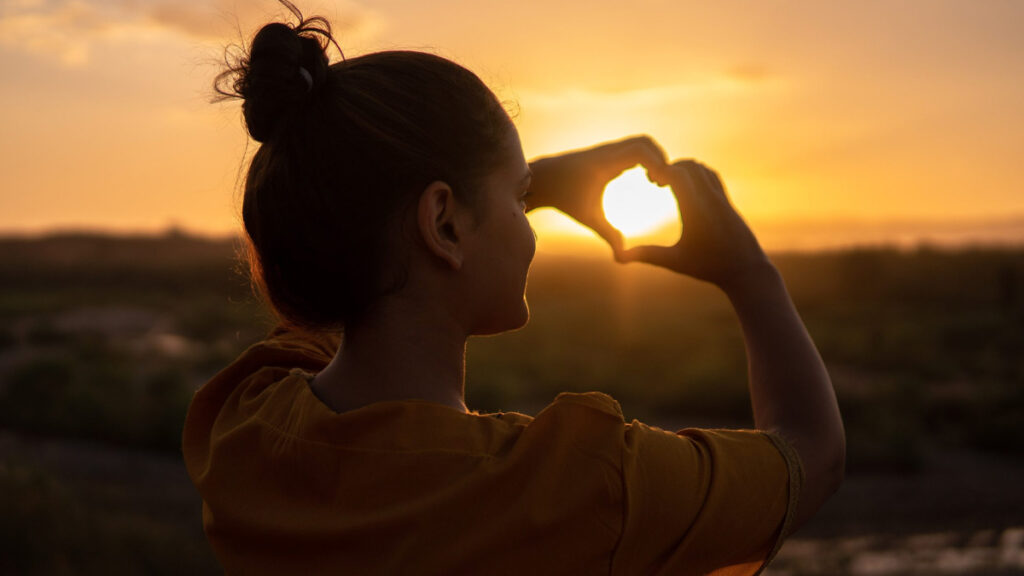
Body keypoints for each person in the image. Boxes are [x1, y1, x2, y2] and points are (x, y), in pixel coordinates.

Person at [182, 2, 845, 574]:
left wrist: (505, 192)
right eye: (519, 196)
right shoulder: (578, 486)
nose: (529, 226)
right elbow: (810, 452)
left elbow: (340, 255)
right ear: (442, 221)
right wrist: (750, 275)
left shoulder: (245, 425)